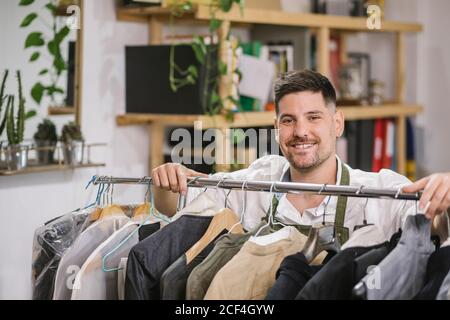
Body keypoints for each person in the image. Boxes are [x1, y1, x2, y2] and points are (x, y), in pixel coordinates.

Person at [152, 70, 449, 242]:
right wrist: (167, 180)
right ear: (276, 127)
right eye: (289, 120)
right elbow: (172, 206)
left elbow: (436, 231)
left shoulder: (380, 191)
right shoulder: (256, 182)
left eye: (314, 117)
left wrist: (446, 198)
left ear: (337, 123)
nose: (300, 132)